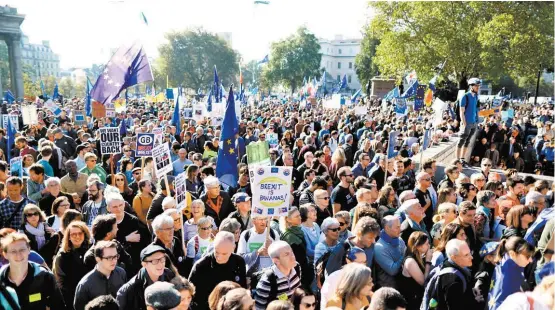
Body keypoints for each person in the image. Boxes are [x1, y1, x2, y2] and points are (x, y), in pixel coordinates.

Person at [0, 232, 64, 310]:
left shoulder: (45, 277)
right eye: (13, 251)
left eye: (22, 250)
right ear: (5, 254)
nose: (18, 255)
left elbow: (59, 306)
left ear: (29, 250)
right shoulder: (1, 280)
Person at [189, 231, 247, 310]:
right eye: (216, 252)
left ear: (233, 248)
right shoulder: (201, 266)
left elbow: (242, 290)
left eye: (224, 254)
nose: (219, 257)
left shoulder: (239, 262)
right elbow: (191, 295)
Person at [116, 244, 176, 310]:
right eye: (155, 261)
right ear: (144, 264)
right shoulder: (128, 290)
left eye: (162, 259)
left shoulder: (170, 276)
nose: (160, 264)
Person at [73, 240, 128, 310]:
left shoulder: (121, 273)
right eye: (109, 258)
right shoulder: (85, 284)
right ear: (98, 259)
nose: (114, 260)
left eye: (115, 256)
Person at [53, 221, 92, 310]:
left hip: (90, 295)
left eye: (80, 233)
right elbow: (61, 281)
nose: (77, 237)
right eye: (73, 234)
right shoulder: (63, 255)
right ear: (69, 237)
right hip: (71, 297)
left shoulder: (91, 250)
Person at [488, 236, 535, 310]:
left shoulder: (512, 263)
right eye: (527, 256)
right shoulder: (506, 278)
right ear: (512, 254)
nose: (531, 260)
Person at [253, 241, 302, 310]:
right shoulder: (268, 280)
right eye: (286, 254)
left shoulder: (296, 267)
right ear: (276, 261)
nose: (293, 256)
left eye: (292, 252)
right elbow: (259, 308)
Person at [431, 239, 474, 310]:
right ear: (454, 257)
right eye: (466, 255)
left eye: (470, 253)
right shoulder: (453, 281)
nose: (471, 257)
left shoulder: (448, 263)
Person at [397, 231, 432, 310]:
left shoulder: (420, 256)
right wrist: (428, 261)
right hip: (412, 301)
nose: (429, 246)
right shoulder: (410, 261)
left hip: (418, 297)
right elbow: (424, 282)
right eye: (426, 244)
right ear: (418, 247)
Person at [237, 213, 279, 278]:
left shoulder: (274, 234)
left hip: (271, 276)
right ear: (253, 220)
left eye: (265, 219)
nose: (263, 222)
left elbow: (280, 257)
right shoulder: (246, 234)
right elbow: (240, 259)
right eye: (260, 219)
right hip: (252, 276)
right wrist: (258, 252)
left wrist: (272, 250)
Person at [280, 207, 312, 289]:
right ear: (288, 219)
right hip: (298, 274)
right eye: (297, 216)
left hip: (305, 270)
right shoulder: (289, 237)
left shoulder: (299, 231)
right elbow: (298, 260)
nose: (300, 218)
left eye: (299, 215)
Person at [374, 215, 406, 290]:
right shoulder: (379, 247)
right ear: (387, 228)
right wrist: (404, 255)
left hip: (402, 284)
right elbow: (392, 270)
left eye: (400, 226)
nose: (400, 229)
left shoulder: (400, 240)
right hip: (389, 289)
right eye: (397, 227)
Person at [457, 77, 481, 164]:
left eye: (478, 86)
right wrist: (464, 123)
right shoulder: (465, 96)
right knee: (461, 141)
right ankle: (457, 159)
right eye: (476, 86)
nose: (478, 88)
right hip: (467, 123)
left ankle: (462, 159)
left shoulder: (476, 96)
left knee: (468, 141)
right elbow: (461, 112)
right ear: (471, 86)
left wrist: (477, 121)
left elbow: (476, 109)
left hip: (474, 123)